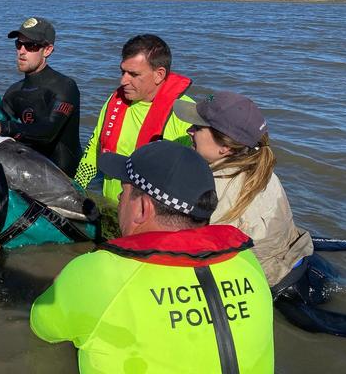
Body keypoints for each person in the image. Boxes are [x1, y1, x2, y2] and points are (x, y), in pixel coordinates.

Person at [30, 140, 274, 373]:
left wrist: (64, 284)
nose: (118, 198)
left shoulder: (98, 272)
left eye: (124, 191)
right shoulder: (247, 260)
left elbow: (42, 328)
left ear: (143, 208)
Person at [173, 91, 314, 288]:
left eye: (197, 127)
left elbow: (191, 255)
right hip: (298, 258)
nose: (189, 130)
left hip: (268, 285)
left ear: (226, 148)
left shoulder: (209, 189)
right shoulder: (262, 169)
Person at [74, 34, 193, 205]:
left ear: (159, 74)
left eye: (133, 74)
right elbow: (93, 150)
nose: (123, 81)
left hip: (151, 217)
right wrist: (78, 190)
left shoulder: (186, 115)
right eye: (122, 71)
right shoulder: (114, 101)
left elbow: (190, 180)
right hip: (111, 207)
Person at [0, 17, 81, 177]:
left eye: (30, 45)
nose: (21, 51)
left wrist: (2, 127)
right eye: (18, 44)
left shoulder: (65, 87)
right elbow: (0, 127)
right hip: (30, 172)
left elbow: (48, 133)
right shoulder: (14, 91)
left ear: (48, 50)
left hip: (64, 177)